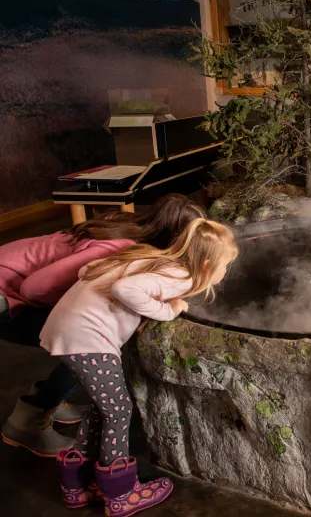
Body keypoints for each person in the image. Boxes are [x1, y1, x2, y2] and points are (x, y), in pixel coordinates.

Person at [43, 218, 238, 514]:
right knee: (119, 410)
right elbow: (124, 288)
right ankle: (121, 493)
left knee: (102, 407)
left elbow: (87, 271)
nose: (226, 271)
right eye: (226, 265)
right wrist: (166, 310)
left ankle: (78, 484)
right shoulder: (180, 276)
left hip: (67, 328)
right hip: (87, 340)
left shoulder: (149, 257)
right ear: (208, 264)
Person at [1, 194, 206, 457]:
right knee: (87, 341)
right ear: (172, 239)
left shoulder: (133, 227)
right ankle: (27, 421)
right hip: (6, 293)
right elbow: (33, 288)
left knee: (81, 335)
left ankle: (49, 398)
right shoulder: (114, 248)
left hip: (10, 278)